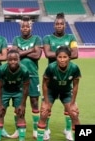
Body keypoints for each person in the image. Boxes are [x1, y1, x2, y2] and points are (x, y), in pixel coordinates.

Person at [42, 12, 78, 141]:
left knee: (70, 109)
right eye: (57, 24)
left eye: (61, 24)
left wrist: (56, 54)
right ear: (54, 25)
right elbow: (46, 53)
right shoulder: (47, 38)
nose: (59, 26)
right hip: (51, 78)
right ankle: (46, 130)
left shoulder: (71, 38)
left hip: (67, 77)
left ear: (65, 25)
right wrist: (65, 54)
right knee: (46, 107)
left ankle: (68, 130)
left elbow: (76, 53)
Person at [37, 46, 81, 141]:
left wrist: (73, 103)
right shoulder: (51, 67)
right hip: (51, 91)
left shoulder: (74, 68)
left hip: (65, 91)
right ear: (56, 57)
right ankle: (43, 134)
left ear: (69, 57)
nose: (62, 60)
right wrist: (45, 102)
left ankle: (72, 133)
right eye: (59, 57)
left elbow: (76, 85)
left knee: (74, 114)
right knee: (44, 113)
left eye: (65, 57)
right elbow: (44, 84)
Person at [10, 16, 42, 139]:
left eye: (27, 26)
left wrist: (21, 52)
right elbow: (14, 56)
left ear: (31, 27)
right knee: (18, 104)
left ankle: (35, 130)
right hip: (18, 76)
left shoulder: (37, 39)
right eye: (23, 26)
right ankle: (18, 129)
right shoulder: (16, 39)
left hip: (33, 75)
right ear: (20, 27)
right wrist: (30, 50)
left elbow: (38, 55)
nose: (25, 28)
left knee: (34, 103)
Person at [0, 49, 30, 141]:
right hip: (5, 91)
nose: (13, 61)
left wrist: (23, 104)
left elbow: (26, 88)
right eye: (10, 59)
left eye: (15, 59)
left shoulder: (24, 70)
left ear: (19, 59)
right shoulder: (2, 69)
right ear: (7, 60)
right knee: (0, 113)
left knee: (21, 114)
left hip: (18, 91)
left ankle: (22, 139)